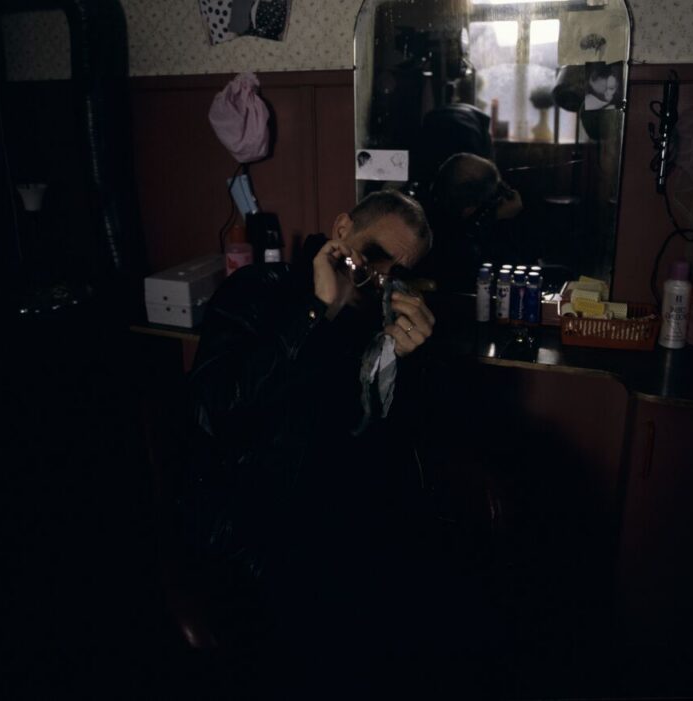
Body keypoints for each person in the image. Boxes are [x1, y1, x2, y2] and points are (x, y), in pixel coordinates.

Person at [180, 191, 504, 695]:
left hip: (353, 514)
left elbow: (401, 440)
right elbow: (215, 410)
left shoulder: (380, 318)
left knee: (454, 608)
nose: (379, 277)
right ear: (340, 228)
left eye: (397, 270)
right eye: (373, 255)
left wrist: (410, 360)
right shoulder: (258, 291)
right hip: (260, 516)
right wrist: (313, 311)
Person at [417, 152, 525, 293]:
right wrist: (499, 222)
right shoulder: (462, 242)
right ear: (471, 207)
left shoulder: (421, 214)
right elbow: (510, 276)